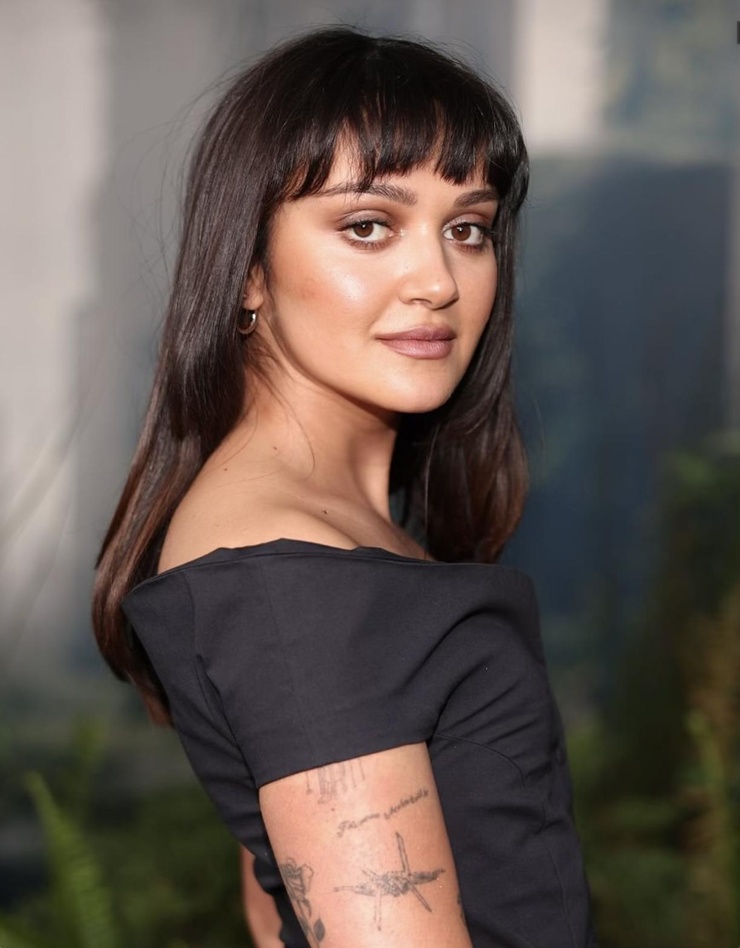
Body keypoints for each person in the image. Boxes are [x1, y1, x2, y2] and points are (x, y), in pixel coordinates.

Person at [92, 26, 596, 947]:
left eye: (467, 228)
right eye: (368, 226)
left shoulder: (317, 546)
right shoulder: (288, 578)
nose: (437, 280)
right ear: (248, 269)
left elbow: (273, 892)